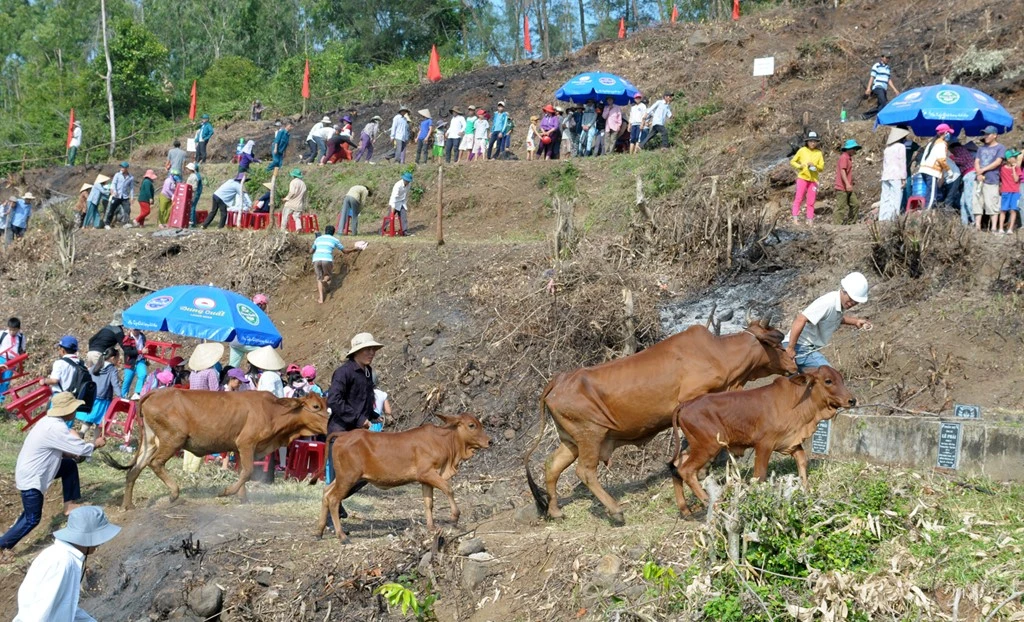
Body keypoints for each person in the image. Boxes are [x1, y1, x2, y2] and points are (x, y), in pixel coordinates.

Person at [0, 393, 104, 561]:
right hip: (33, 476)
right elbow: (81, 449)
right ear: (67, 410)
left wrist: (70, 454)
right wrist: (95, 444)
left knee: (69, 466)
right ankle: (2, 544)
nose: (76, 411)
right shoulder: (56, 428)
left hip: (34, 470)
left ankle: (69, 505)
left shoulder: (49, 422)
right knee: (32, 518)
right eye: (74, 408)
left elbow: (61, 449)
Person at [14, 505, 119, 619]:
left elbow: (64, 609)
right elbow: (39, 613)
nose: (100, 543)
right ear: (87, 537)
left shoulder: (62, 556)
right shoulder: (62, 563)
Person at [783, 272, 871, 372]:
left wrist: (856, 322)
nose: (852, 304)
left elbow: (835, 319)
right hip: (799, 348)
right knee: (829, 376)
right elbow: (800, 319)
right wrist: (790, 348)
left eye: (856, 302)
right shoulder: (828, 303)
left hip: (807, 349)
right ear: (843, 290)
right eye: (851, 299)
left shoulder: (838, 304)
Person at [327, 333, 383, 434]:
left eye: (373, 349)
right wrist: (359, 419)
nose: (372, 353)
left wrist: (373, 415)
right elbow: (334, 400)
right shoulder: (344, 372)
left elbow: (361, 401)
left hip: (359, 433)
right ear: (357, 352)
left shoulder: (368, 371)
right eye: (368, 349)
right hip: (342, 431)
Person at [247, 345, 287, 469]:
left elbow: (267, 396)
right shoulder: (273, 375)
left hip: (271, 411)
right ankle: (281, 463)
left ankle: (268, 463)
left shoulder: (268, 376)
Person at [311, 225, 363, 304]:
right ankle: (325, 281)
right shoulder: (334, 240)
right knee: (328, 275)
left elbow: (311, 251)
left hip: (316, 259)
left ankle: (321, 299)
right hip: (326, 259)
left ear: (325, 231)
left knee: (319, 278)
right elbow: (345, 251)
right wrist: (354, 249)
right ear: (333, 232)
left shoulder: (318, 239)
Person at [76, 347, 119, 438]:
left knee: (89, 419)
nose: (118, 360)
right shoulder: (112, 370)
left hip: (92, 398)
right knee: (100, 423)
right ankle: (94, 442)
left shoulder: (95, 366)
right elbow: (115, 385)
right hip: (104, 400)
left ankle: (81, 433)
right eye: (117, 358)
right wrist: (121, 396)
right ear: (112, 358)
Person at [790, 131, 825, 225]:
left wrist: (815, 166)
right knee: (799, 198)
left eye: (814, 141)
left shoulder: (819, 153)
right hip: (802, 178)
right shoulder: (802, 150)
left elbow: (821, 168)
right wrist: (800, 166)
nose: (812, 143)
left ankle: (810, 220)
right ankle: (795, 219)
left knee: (811, 201)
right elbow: (793, 161)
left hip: (813, 180)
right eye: (811, 141)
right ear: (807, 141)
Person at [974, 126, 1005, 232]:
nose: (985, 136)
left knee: (992, 203)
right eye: (985, 134)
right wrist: (978, 172)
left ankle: (993, 228)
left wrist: (983, 170)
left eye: (988, 134)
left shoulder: (1000, 147)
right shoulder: (981, 148)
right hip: (979, 179)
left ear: (995, 135)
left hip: (992, 179)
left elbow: (998, 162)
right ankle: (977, 226)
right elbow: (977, 161)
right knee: (977, 202)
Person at [919, 123, 953, 209]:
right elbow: (941, 159)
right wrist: (949, 170)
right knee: (932, 195)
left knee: (929, 192)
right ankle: (926, 213)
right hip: (932, 171)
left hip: (924, 169)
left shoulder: (932, 142)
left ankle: (927, 211)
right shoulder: (941, 143)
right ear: (945, 133)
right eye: (949, 133)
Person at [879, 127, 909, 221]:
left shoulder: (887, 149)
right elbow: (902, 163)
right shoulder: (901, 147)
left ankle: (883, 219)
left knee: (885, 198)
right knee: (896, 198)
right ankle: (893, 220)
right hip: (896, 175)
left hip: (886, 176)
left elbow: (884, 164)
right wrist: (904, 178)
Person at [947, 139, 977, 225]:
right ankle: (965, 222)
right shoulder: (963, 149)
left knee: (968, 199)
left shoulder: (958, 149)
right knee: (962, 201)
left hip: (969, 174)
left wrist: (952, 158)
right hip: (967, 175)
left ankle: (974, 221)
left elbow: (962, 160)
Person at [863, 52, 900, 119]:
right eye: (886, 57)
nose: (887, 59)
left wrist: (895, 89)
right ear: (882, 57)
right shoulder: (877, 65)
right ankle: (881, 119)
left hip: (883, 89)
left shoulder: (888, 68)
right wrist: (868, 88)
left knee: (883, 105)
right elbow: (872, 77)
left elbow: (888, 79)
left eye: (889, 58)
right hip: (878, 87)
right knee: (883, 103)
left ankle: (865, 116)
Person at [833, 139, 862, 224]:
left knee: (855, 204)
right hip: (842, 187)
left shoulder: (848, 158)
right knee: (841, 207)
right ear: (849, 149)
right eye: (854, 149)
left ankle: (851, 223)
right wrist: (847, 184)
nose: (855, 151)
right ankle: (837, 225)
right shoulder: (844, 157)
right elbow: (842, 171)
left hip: (848, 187)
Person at [0, 317, 25, 399]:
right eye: (10, 329)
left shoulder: (21, 337)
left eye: (14, 330)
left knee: (6, 380)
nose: (12, 332)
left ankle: (1, 398)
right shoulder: (2, 334)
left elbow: (22, 350)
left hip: (12, 362)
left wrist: (19, 363)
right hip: (2, 358)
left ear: (18, 329)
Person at [998, 148, 1021, 234]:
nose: (1015, 158)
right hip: (1005, 191)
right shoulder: (1002, 168)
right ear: (1008, 159)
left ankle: (1010, 229)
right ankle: (1000, 228)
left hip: (1015, 191)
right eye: (1014, 157)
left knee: (1013, 210)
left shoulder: (1017, 168)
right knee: (1003, 210)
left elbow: (1016, 179)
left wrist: (1014, 169)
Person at [121, 328, 147, 400]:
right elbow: (128, 352)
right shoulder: (127, 339)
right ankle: (123, 397)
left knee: (143, 374)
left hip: (140, 360)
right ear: (131, 329)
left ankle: (137, 392)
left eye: (138, 329)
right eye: (134, 329)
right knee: (127, 381)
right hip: (130, 362)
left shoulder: (142, 336)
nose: (136, 330)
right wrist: (141, 351)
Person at [185, 162, 203, 226]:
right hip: (191, 193)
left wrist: (189, 190)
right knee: (192, 207)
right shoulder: (192, 176)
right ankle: (193, 221)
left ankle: (192, 222)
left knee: (192, 207)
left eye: (187, 169)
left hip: (194, 194)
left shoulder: (194, 177)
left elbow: (194, 187)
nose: (186, 170)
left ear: (190, 169)